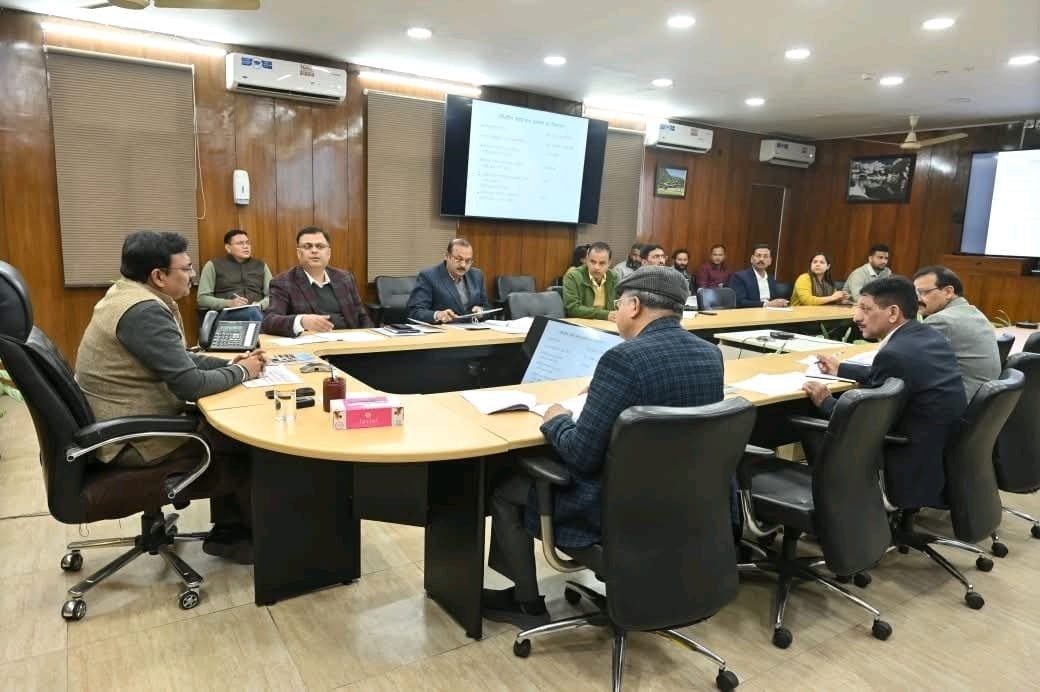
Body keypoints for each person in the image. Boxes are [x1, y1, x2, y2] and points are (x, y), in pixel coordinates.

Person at [482, 266, 725, 627]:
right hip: (684, 509)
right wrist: (602, 391)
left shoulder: (623, 359)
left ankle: (526, 603)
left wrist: (555, 418)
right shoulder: (710, 355)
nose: (616, 312)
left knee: (505, 489)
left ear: (634, 306)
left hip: (614, 514)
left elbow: (581, 454)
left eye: (619, 303)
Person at [75, 231, 267, 563]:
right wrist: (243, 372)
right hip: (135, 440)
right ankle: (247, 540)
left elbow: (178, 360)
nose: (193, 276)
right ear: (158, 276)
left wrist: (227, 365)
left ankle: (232, 532)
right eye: (187, 268)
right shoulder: (144, 312)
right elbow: (190, 384)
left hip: (118, 424)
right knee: (251, 441)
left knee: (228, 428)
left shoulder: (125, 294)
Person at [802, 276, 966, 509]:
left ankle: (830, 507)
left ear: (893, 313)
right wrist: (841, 369)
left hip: (905, 460)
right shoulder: (928, 337)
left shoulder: (895, 354)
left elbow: (869, 421)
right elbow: (894, 378)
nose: (856, 317)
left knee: (812, 422)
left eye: (866, 309)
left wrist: (826, 401)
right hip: (936, 454)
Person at [261, 226, 373, 336]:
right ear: (299, 253)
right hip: (311, 344)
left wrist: (372, 339)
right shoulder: (283, 282)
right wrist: (302, 321)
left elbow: (362, 317)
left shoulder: (345, 278)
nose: (314, 250)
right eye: (307, 246)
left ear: (328, 253)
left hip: (350, 342)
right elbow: (269, 321)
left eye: (320, 246)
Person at [913, 266, 1001, 400]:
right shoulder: (974, 313)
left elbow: (904, 356)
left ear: (948, 292)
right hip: (982, 401)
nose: (918, 299)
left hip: (959, 401)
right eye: (916, 294)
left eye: (924, 292)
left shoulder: (942, 320)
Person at [406, 238, 491, 324]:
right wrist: (438, 315)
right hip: (444, 330)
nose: (463, 265)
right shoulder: (428, 276)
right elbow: (415, 312)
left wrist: (481, 311)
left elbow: (488, 308)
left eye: (468, 261)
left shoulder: (476, 275)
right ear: (447, 256)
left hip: (473, 329)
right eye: (458, 259)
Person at [196, 229, 272, 322]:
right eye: (240, 243)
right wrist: (229, 303)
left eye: (247, 243)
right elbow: (202, 299)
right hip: (227, 315)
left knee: (260, 314)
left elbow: (273, 295)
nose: (246, 246)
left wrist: (260, 305)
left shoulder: (261, 266)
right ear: (228, 248)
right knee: (253, 314)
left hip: (258, 311)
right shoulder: (213, 265)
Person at [562, 241, 618, 321]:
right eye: (593, 262)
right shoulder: (573, 276)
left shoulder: (613, 277)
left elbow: (618, 304)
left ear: (609, 263)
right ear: (587, 260)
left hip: (607, 324)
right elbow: (572, 309)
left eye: (602, 263)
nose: (596, 267)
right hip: (582, 323)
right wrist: (605, 315)